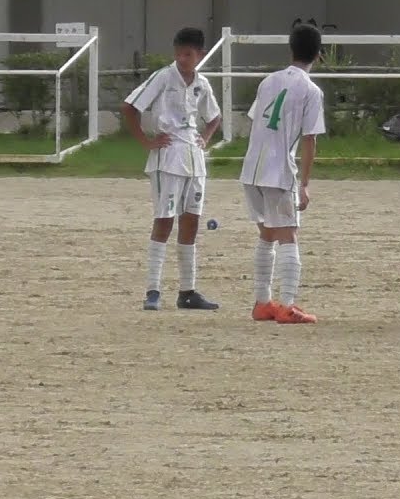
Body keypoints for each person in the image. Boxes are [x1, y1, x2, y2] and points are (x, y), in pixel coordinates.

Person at [121, 27, 222, 312]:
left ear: (200, 55)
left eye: (188, 54)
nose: (182, 59)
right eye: (178, 53)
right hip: (168, 158)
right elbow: (130, 106)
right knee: (164, 220)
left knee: (191, 221)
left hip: (194, 158)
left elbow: (214, 116)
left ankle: (187, 290)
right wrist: (147, 141)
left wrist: (205, 137)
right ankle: (153, 289)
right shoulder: (165, 77)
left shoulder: (202, 83)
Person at [239, 23, 327, 324]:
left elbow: (256, 119)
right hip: (279, 170)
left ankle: (262, 302)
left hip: (251, 167)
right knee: (289, 235)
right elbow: (309, 139)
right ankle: (288, 305)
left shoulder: (268, 82)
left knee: (266, 234)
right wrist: (304, 183)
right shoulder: (311, 90)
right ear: (318, 54)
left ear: (290, 49)